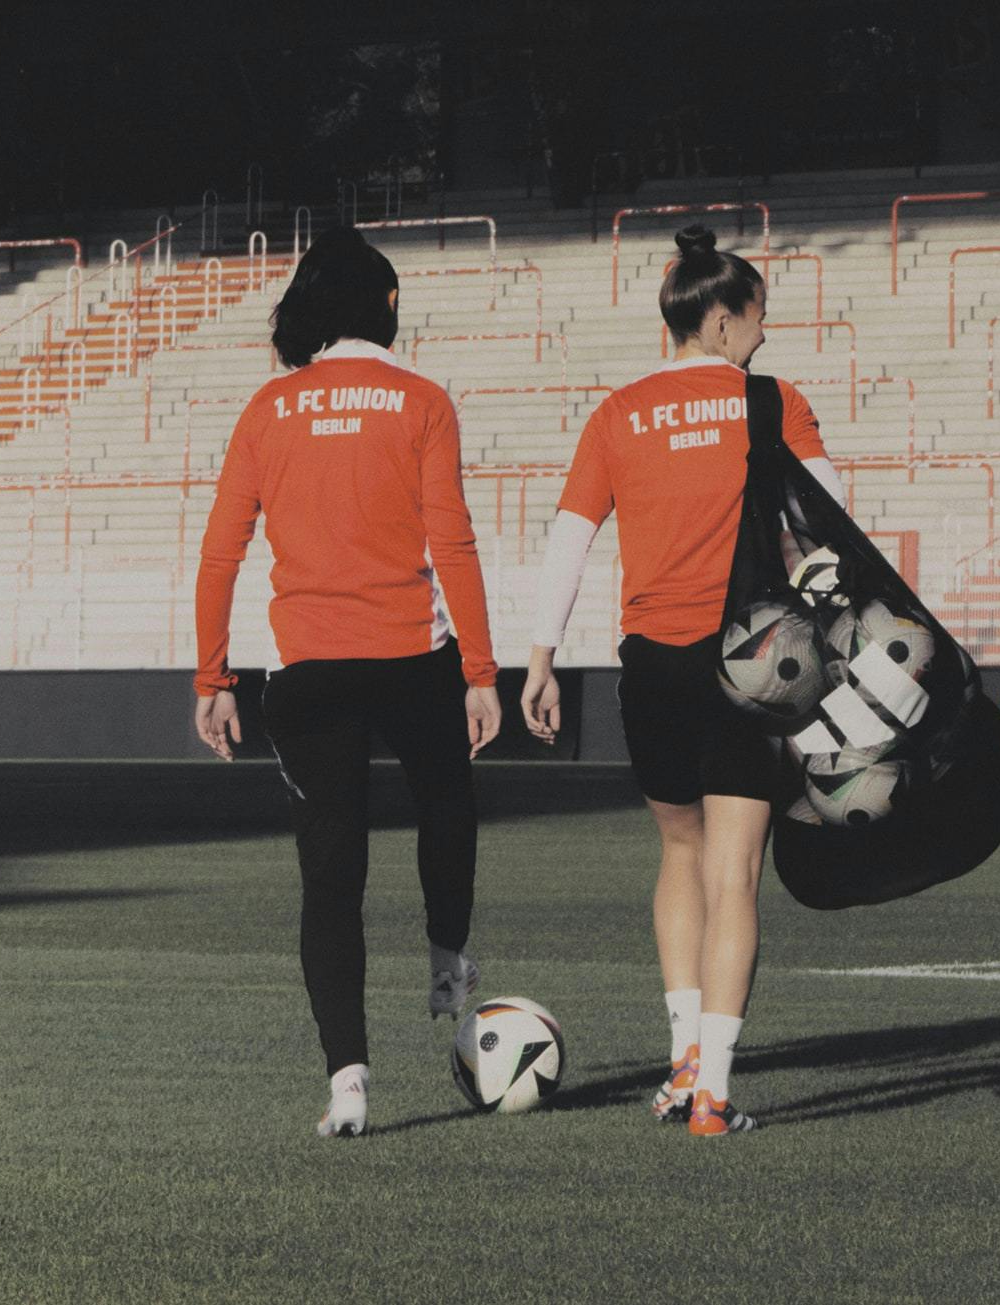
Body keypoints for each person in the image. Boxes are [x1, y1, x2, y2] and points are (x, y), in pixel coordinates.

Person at [521, 226, 840, 1138]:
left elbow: (569, 541)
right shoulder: (774, 402)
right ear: (725, 319)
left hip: (652, 662)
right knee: (737, 872)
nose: (766, 336)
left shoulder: (617, 412)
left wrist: (541, 658)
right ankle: (714, 1093)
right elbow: (832, 527)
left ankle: (682, 1060)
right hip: (752, 657)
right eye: (759, 319)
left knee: (680, 855)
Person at [193, 225, 503, 1138]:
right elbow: (452, 540)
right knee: (448, 804)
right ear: (388, 306)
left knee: (332, 876)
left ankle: (349, 1084)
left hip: (310, 666)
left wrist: (214, 676)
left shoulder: (267, 408)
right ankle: (449, 962)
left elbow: (220, 554)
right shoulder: (421, 401)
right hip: (412, 654)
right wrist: (480, 670)